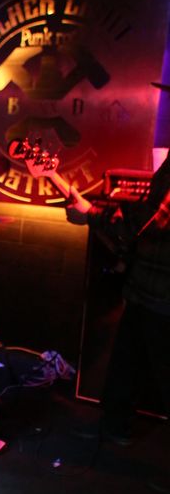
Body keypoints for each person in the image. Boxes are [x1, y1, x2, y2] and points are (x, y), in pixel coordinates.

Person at [65, 117, 170, 444]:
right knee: (126, 360)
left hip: (161, 292)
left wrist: (91, 214)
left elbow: (152, 223)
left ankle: (116, 426)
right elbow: (150, 211)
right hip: (146, 287)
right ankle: (114, 426)